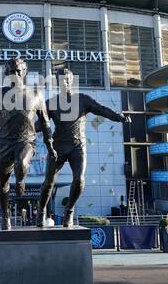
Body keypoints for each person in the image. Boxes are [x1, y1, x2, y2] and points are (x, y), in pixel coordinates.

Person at [37, 65, 129, 227]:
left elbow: (102, 110)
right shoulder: (50, 103)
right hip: (58, 147)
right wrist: (22, 128)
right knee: (48, 183)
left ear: (72, 80)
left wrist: (118, 117)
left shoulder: (83, 99)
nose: (64, 82)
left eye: (67, 79)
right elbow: (39, 125)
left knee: (79, 179)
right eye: (60, 80)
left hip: (78, 146)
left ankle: (69, 211)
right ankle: (41, 211)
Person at [0, 56, 54, 230]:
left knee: (21, 162)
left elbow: (46, 122)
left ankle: (20, 180)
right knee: (2, 182)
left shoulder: (35, 93)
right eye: (11, 71)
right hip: (4, 142)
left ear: (24, 72)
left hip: (26, 140)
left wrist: (50, 146)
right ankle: (6, 217)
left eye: (18, 71)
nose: (15, 74)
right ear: (6, 73)